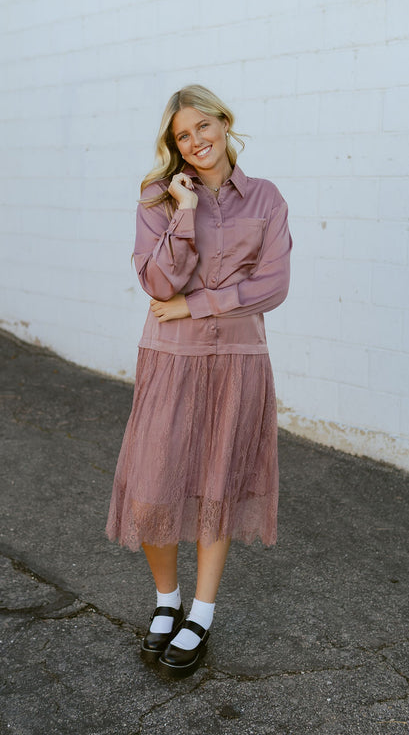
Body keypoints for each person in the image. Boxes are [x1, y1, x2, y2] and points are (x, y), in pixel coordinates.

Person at [106, 84, 292, 678]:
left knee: (219, 483)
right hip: (171, 357)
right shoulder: (157, 197)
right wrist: (184, 211)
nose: (196, 141)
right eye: (182, 135)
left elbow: (273, 286)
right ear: (174, 144)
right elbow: (159, 284)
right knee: (154, 478)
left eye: (203, 127)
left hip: (240, 358)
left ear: (224, 122)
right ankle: (167, 601)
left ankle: (202, 614)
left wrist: (198, 304)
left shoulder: (266, 198)